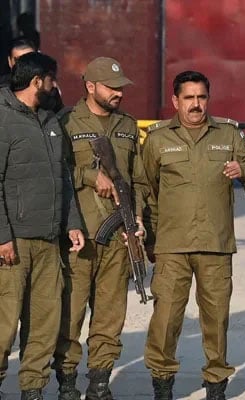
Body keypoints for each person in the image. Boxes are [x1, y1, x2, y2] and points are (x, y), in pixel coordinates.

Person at [141, 70, 245, 399]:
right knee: (166, 318)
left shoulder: (228, 134)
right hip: (172, 245)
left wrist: (244, 170)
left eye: (201, 97)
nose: (196, 104)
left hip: (215, 243)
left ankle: (215, 384)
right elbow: (146, 189)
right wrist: (150, 237)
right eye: (188, 98)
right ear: (175, 101)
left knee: (216, 319)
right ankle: (162, 382)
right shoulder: (157, 139)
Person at [50, 56, 149, 400]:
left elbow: (137, 180)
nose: (118, 93)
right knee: (71, 315)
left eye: (121, 87)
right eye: (111, 87)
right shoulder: (65, 123)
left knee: (110, 317)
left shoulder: (127, 125)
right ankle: (66, 386)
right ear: (90, 86)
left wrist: (137, 219)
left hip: (118, 238)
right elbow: (56, 173)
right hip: (79, 237)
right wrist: (91, 176)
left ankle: (99, 385)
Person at [0, 52, 85, 400]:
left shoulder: (50, 121)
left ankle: (32, 389)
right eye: (51, 79)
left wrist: (73, 224)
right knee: (4, 324)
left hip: (49, 242)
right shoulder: (3, 120)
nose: (55, 86)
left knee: (44, 323)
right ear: (37, 81)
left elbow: (62, 178)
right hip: (13, 245)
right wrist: (3, 237)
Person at [0, 37, 63, 112]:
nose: (25, 64)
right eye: (18, 60)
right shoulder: (2, 88)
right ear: (9, 61)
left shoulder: (49, 89)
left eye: (30, 59)